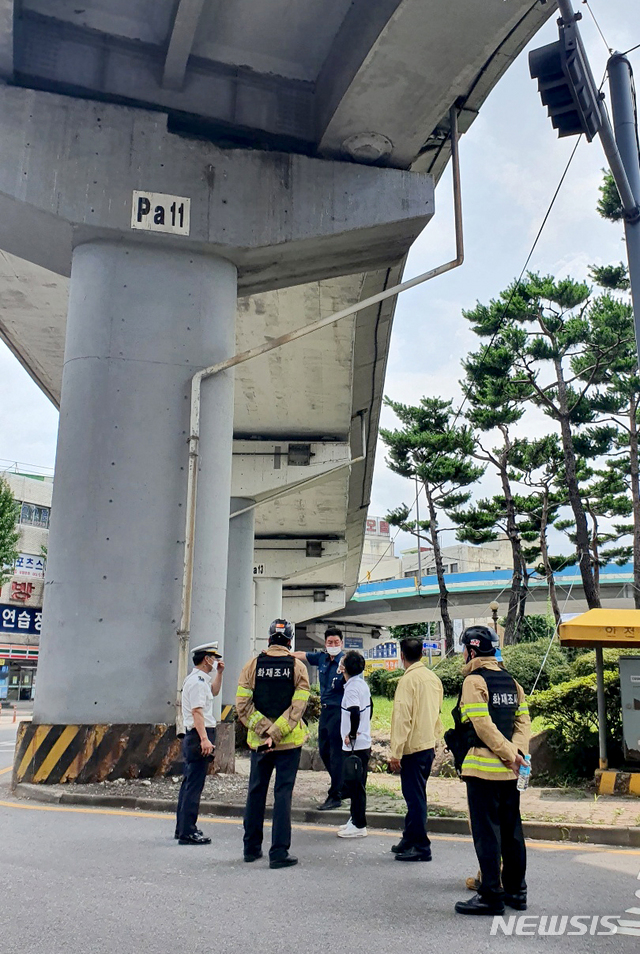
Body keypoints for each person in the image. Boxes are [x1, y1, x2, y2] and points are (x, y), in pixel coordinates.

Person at [453, 625, 531, 916]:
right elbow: (523, 721)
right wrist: (518, 753)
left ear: (472, 651)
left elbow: (482, 724)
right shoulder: (511, 680)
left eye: (464, 650)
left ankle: (491, 895)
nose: (463, 655)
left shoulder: (474, 681)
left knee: (487, 834)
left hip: (483, 771)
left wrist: (509, 753)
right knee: (512, 832)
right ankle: (516, 891)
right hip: (512, 773)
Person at [236, 619, 310, 869]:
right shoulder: (298, 667)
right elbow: (297, 708)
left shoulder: (252, 666)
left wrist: (264, 731)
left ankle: (250, 848)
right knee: (282, 795)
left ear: (268, 640)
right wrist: (276, 732)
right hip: (288, 745)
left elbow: (243, 707)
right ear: (289, 642)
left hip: (259, 744)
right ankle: (278, 853)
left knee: (256, 792)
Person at [388, 637, 443, 862]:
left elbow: (403, 719)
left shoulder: (407, 681)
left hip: (412, 748)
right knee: (416, 794)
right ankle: (409, 838)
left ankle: (422, 846)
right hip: (428, 744)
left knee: (415, 798)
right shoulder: (433, 678)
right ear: (422, 654)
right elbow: (438, 710)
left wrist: (395, 753)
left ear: (402, 656)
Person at [175, 641, 224, 845]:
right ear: (206, 659)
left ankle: (183, 828)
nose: (215, 661)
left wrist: (219, 674)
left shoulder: (201, 680)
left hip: (197, 734)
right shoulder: (196, 682)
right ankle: (188, 831)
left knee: (189, 783)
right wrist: (204, 739)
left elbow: (213, 692)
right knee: (194, 785)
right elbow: (197, 712)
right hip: (198, 735)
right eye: (213, 658)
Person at [293, 626, 345, 810]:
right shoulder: (322, 658)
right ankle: (340, 783)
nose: (333, 645)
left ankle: (336, 794)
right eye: (330, 642)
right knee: (324, 751)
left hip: (339, 711)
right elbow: (301, 655)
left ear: (341, 643)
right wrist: (282, 654)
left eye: (336, 642)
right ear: (325, 643)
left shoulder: (345, 662)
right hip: (325, 711)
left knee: (336, 753)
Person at [336, 650, 372, 839]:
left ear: (345, 668)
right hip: (363, 741)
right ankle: (355, 818)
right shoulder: (361, 684)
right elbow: (369, 708)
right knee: (357, 783)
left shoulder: (351, 688)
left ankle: (359, 825)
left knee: (356, 785)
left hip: (354, 745)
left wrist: (351, 734)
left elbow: (355, 712)